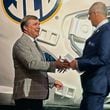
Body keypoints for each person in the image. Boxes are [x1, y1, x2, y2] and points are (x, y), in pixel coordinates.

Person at [12, 15, 69, 110]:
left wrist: (53, 81)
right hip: (27, 96)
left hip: (34, 95)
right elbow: (31, 64)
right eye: (35, 24)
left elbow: (37, 70)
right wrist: (55, 64)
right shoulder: (21, 43)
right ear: (25, 28)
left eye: (39, 24)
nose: (38, 27)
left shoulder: (34, 44)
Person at [69, 2, 110, 110]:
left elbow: (103, 59)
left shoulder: (106, 31)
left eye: (89, 15)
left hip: (97, 86)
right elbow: (92, 56)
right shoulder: (101, 31)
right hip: (92, 86)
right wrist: (74, 61)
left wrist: (78, 63)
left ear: (95, 13)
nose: (88, 18)